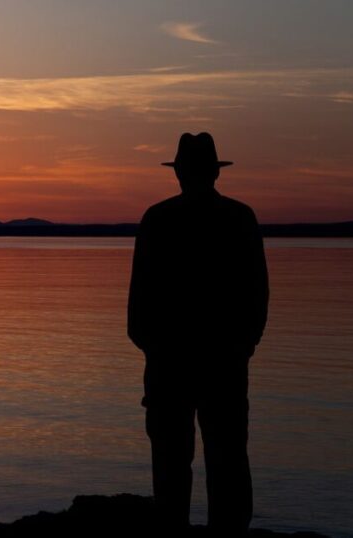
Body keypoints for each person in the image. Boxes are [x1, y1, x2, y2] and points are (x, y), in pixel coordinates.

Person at [127, 132, 269, 536]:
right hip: (220, 362)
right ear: (214, 173)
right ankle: (227, 534)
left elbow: (137, 307)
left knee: (172, 462)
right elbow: (258, 294)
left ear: (179, 174)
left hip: (175, 364)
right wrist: (242, 346)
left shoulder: (158, 220)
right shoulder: (239, 218)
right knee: (226, 458)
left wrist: (155, 350)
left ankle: (177, 532)